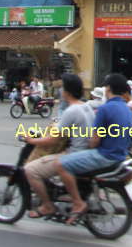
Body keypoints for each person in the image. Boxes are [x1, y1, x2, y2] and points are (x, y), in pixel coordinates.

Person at [54, 73, 132, 224]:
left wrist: (88, 145)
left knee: (60, 164)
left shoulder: (105, 109)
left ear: (108, 89)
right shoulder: (127, 109)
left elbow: (94, 141)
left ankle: (77, 202)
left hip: (104, 156)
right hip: (121, 156)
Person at [24, 73, 95, 219]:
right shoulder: (86, 106)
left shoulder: (71, 110)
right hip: (86, 152)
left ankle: (48, 206)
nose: (60, 91)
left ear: (67, 91)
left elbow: (52, 140)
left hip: (74, 154)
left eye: (62, 88)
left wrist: (32, 141)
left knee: (30, 170)